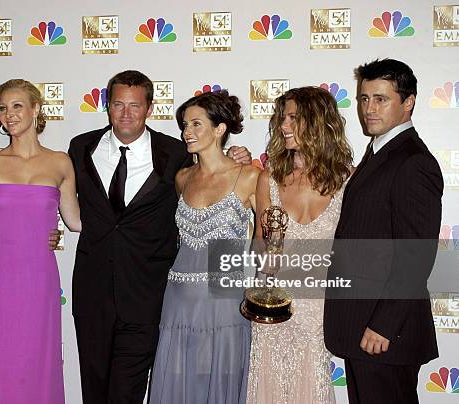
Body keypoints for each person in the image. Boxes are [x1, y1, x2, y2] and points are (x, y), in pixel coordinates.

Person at [66, 70, 251, 404]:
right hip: (92, 292)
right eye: (118, 104)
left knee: (127, 391)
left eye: (135, 106)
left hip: (150, 296)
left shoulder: (175, 154)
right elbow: (59, 198)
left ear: (149, 108)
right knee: (93, 388)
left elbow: (214, 173)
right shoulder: (81, 147)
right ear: (107, 106)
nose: (125, 113)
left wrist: (238, 154)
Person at [324, 59, 443, 404]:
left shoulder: (412, 162)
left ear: (408, 102)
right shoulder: (380, 152)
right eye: (364, 99)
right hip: (363, 325)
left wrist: (384, 324)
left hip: (385, 333)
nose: (369, 109)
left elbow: (415, 256)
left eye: (381, 99)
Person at [0, 79, 80, 403]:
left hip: (38, 282)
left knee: (37, 365)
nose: (8, 115)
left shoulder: (60, 162)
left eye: (16, 106)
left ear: (36, 109)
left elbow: (76, 220)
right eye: (2, 108)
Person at [149, 90, 259, 404]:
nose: (187, 132)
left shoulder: (250, 176)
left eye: (197, 124)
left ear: (220, 128)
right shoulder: (182, 177)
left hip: (225, 302)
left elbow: (270, 239)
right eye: (185, 124)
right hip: (179, 302)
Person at [247, 86, 353, 404]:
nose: (283, 125)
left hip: (320, 309)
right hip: (274, 307)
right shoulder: (269, 179)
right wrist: (268, 251)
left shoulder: (349, 180)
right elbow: (258, 248)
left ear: (318, 121)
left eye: (293, 117)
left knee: (313, 387)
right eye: (282, 118)